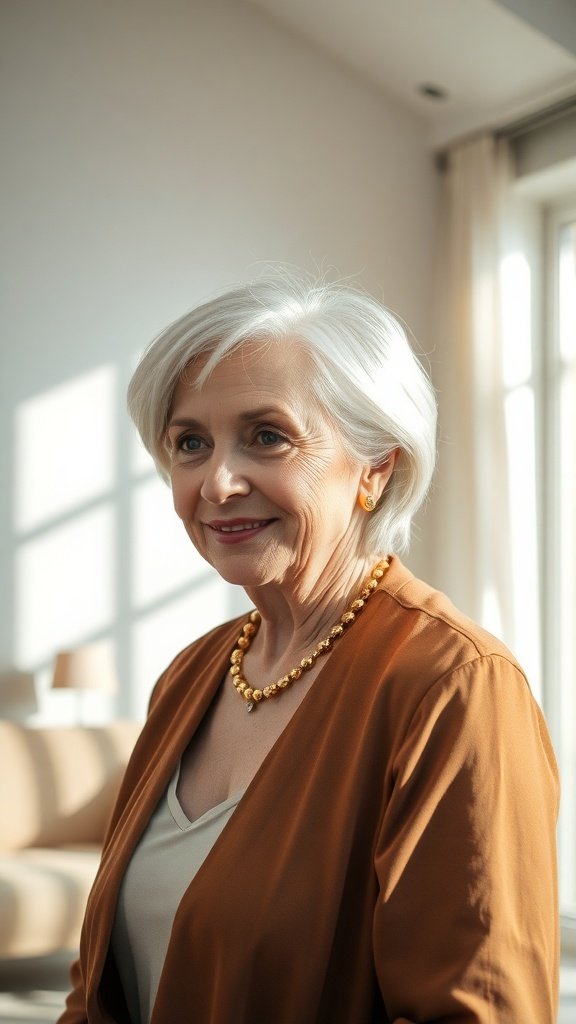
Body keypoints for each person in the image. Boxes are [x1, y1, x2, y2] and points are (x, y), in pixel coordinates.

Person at [58, 271, 559, 1024]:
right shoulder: (192, 674)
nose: (218, 482)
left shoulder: (456, 686)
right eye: (189, 443)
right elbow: (98, 989)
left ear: (375, 466)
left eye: (267, 436)